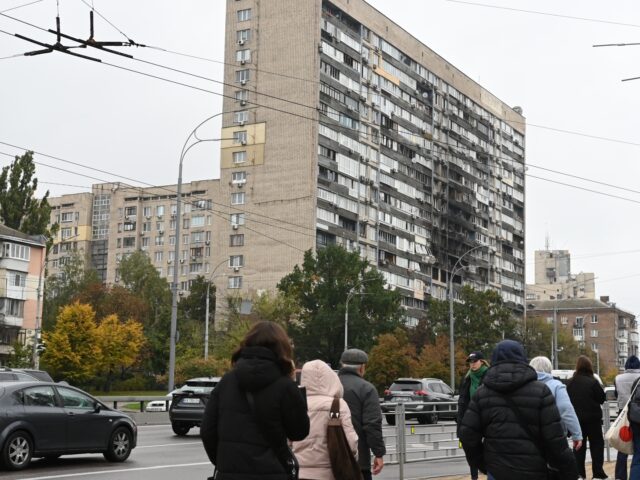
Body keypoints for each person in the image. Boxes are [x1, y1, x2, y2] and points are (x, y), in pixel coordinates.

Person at [200, 321, 310, 479]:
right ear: (283, 348)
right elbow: (299, 432)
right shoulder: (284, 385)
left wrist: (223, 462)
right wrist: (295, 384)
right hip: (272, 473)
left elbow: (207, 431)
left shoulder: (227, 382)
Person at [459, 339, 578, 480]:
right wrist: (569, 472)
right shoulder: (541, 391)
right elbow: (555, 439)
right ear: (522, 359)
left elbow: (467, 436)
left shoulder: (482, 394)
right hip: (534, 469)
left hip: (497, 471)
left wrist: (485, 464)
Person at [292, 359, 358, 480]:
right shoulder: (337, 405)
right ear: (331, 378)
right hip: (331, 472)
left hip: (300, 472)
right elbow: (351, 442)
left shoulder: (296, 404)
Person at [339, 348, 386, 480]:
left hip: (329, 458)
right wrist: (378, 453)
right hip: (358, 460)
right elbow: (372, 424)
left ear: (342, 364)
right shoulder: (366, 388)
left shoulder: (330, 385)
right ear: (362, 368)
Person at [529, 356, 583, 451]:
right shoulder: (557, 386)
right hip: (553, 436)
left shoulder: (525, 385)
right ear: (550, 369)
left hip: (528, 437)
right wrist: (576, 435)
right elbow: (566, 410)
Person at [566, 355, 607, 480]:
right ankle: (597, 474)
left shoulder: (570, 382)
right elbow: (601, 398)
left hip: (576, 421)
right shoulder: (593, 381)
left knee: (578, 447)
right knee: (597, 446)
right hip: (593, 420)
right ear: (589, 366)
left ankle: (579, 474)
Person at [457, 351, 492, 480]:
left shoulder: (489, 376)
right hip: (471, 417)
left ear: (482, 361)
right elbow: (462, 400)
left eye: (475, 361)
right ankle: (474, 477)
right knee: (471, 446)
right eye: (470, 362)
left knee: (488, 449)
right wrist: (460, 423)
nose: (472, 364)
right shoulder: (467, 377)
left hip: (486, 418)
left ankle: (489, 473)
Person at [614, 355, 640, 480]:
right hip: (637, 416)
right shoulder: (639, 378)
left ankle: (620, 476)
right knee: (638, 450)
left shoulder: (618, 378)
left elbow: (615, 394)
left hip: (623, 415)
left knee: (622, 445)